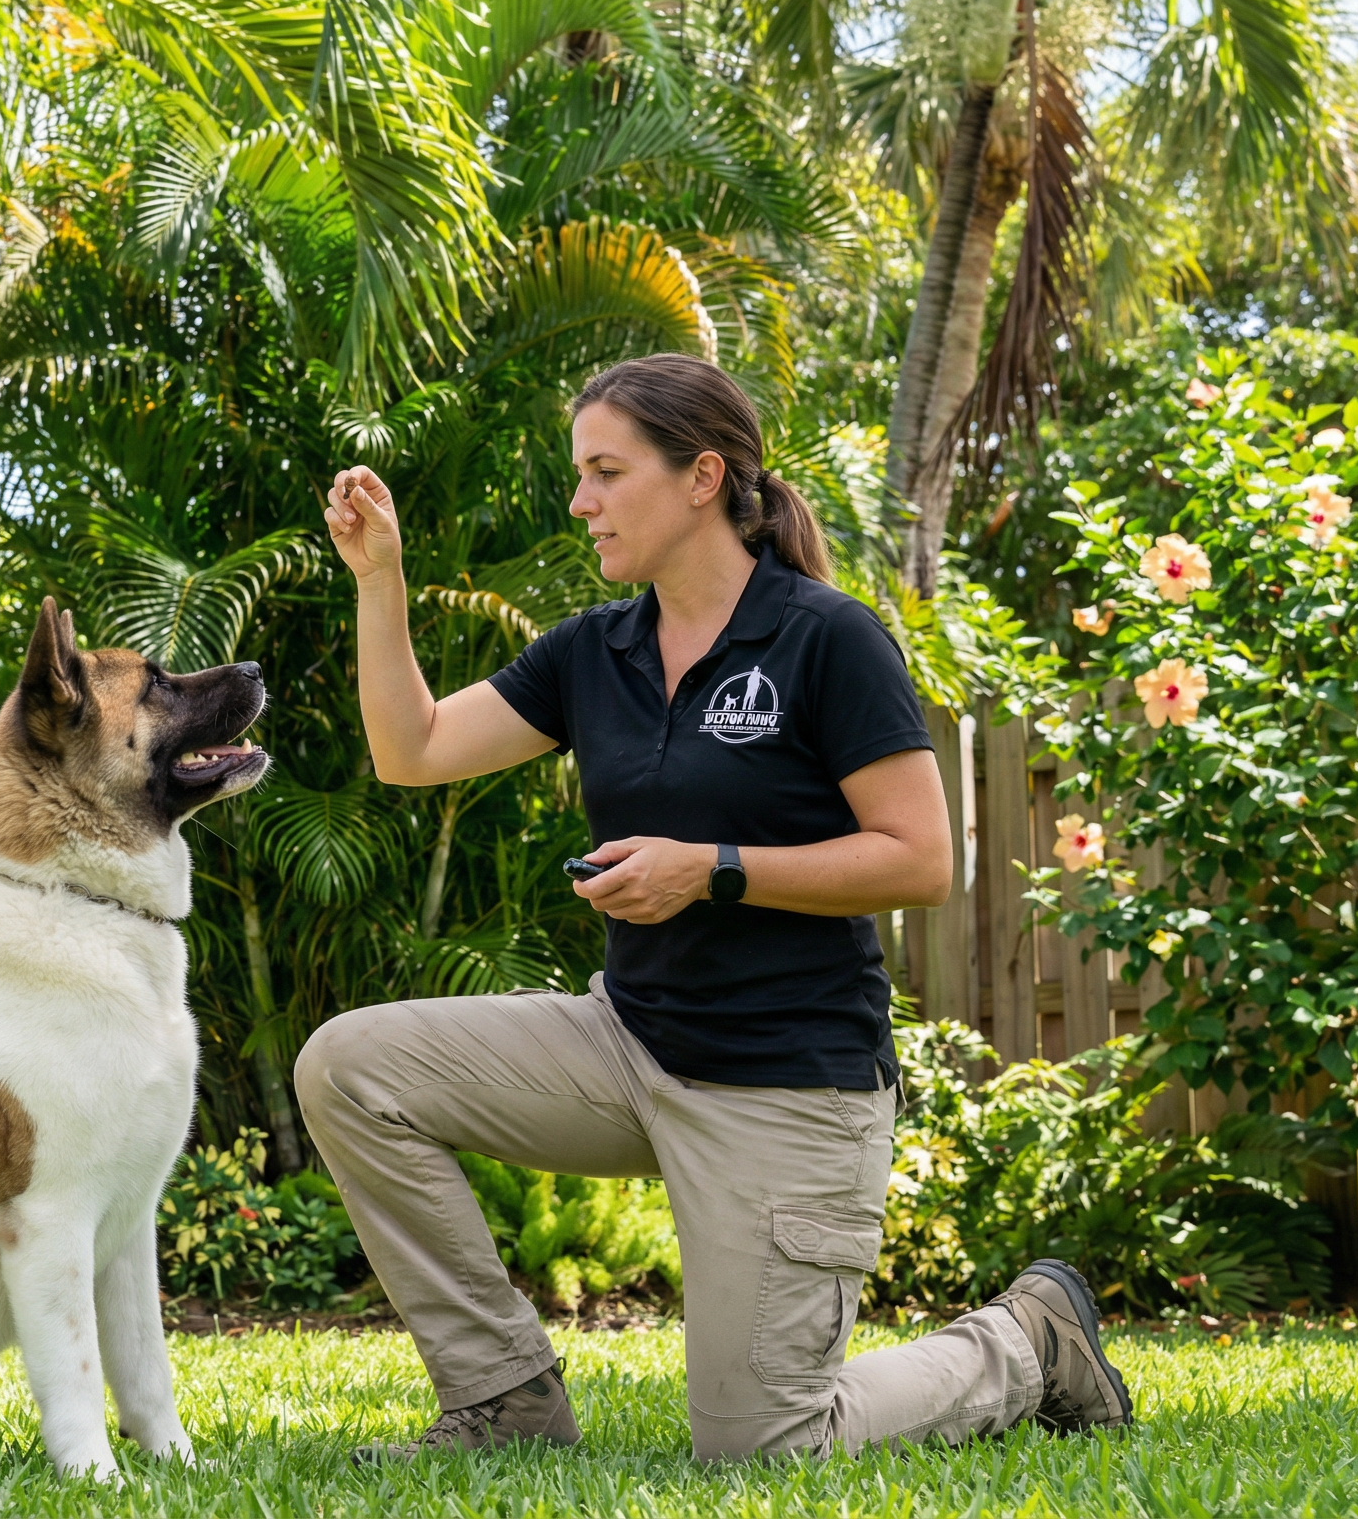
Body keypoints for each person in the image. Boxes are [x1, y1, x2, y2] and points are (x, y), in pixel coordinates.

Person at [299, 352, 1133, 1464]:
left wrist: (713, 868)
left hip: (789, 1088)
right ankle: (502, 1402)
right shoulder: (595, 650)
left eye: (604, 471)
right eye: (577, 474)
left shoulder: (825, 638)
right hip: (629, 1044)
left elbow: (921, 859)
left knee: (762, 1446)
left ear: (700, 478)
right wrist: (378, 578)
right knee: (351, 1067)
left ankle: (1023, 1343)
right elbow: (414, 751)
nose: (579, 500)